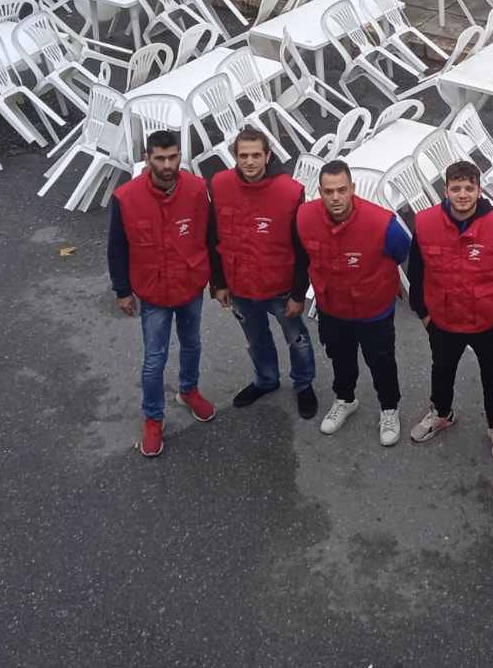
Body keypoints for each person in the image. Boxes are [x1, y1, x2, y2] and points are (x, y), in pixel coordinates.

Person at [107, 130, 217, 458]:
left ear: (180, 155)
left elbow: (210, 236)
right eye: (160, 158)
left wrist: (218, 280)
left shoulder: (197, 189)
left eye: (173, 157)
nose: (167, 165)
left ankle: (189, 391)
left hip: (189, 285)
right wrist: (122, 290)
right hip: (153, 291)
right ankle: (153, 418)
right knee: (154, 359)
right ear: (147, 158)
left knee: (192, 343)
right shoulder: (125, 198)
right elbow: (117, 248)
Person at [407, 161, 493, 460]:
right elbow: (416, 271)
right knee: (442, 370)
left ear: (479, 190)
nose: (462, 194)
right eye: (456, 188)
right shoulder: (425, 223)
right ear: (445, 191)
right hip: (443, 319)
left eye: (469, 188)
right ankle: (442, 413)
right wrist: (423, 313)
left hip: (489, 320)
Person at [293, 160, 412, 446]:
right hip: (332, 308)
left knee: (381, 361)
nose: (335, 197)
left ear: (353, 189)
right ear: (319, 191)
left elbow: (403, 253)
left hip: (373, 311)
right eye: (328, 191)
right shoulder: (304, 217)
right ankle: (345, 400)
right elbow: (302, 257)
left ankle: (389, 408)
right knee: (340, 358)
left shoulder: (383, 224)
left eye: (342, 190)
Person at [207, 128, 318, 418]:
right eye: (243, 155)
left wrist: (298, 294)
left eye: (256, 155)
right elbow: (213, 236)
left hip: (280, 287)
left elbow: (302, 248)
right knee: (256, 340)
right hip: (240, 286)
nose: (250, 162)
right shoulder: (219, 184)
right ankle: (266, 380)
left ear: (268, 156)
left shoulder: (290, 192)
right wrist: (218, 282)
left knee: (297, 339)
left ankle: (304, 384)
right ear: (235, 156)